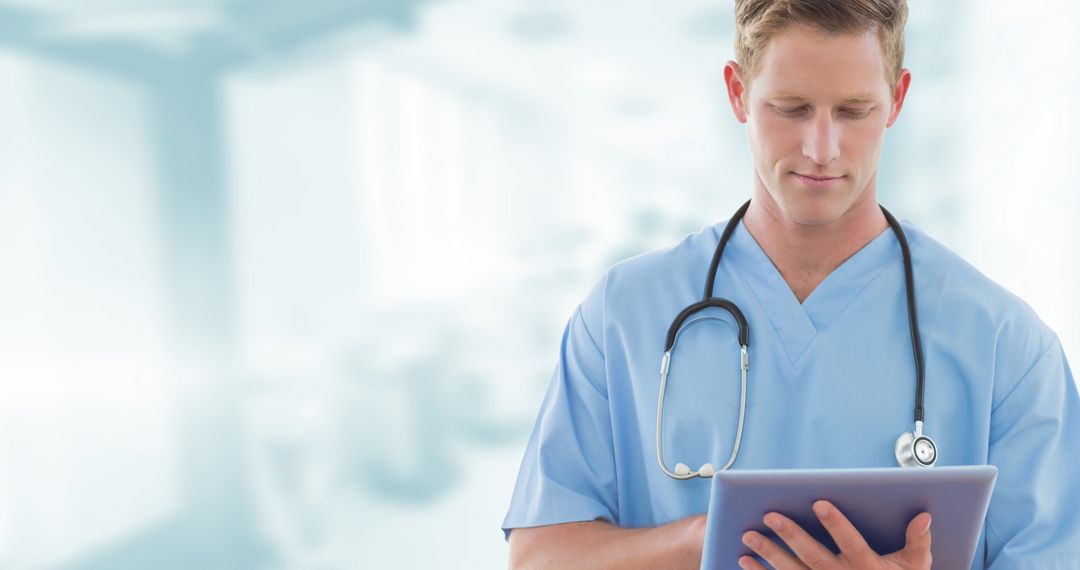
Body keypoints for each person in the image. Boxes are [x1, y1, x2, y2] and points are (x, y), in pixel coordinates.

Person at [502, 0, 1080, 568]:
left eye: (853, 111)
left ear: (897, 99)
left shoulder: (1007, 347)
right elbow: (538, 557)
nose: (821, 149)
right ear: (737, 93)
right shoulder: (622, 316)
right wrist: (709, 540)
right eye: (791, 107)